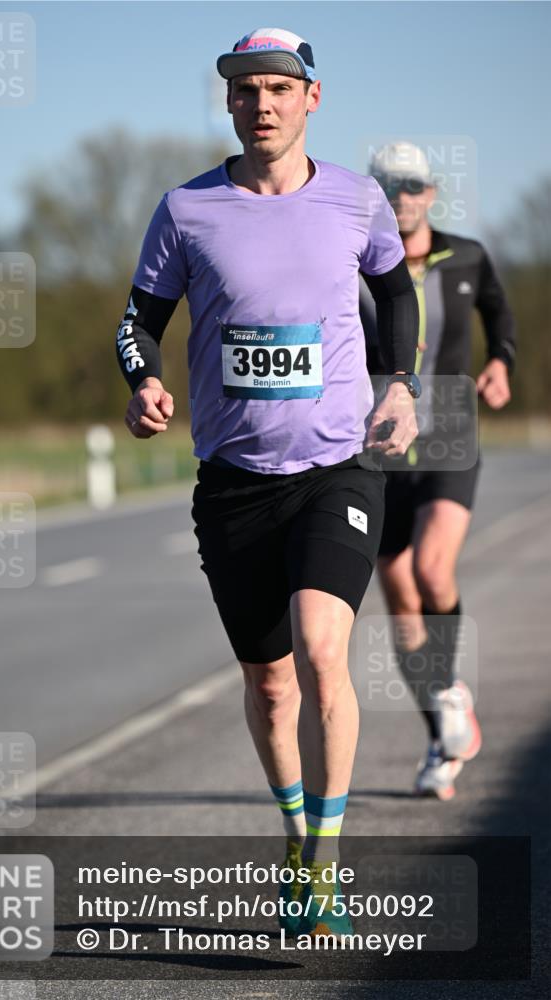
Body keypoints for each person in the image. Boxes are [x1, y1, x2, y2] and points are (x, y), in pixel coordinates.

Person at [116, 29, 420, 936]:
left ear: (310, 99)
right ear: (229, 103)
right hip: (235, 480)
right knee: (271, 680)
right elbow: (138, 321)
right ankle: (293, 831)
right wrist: (142, 380)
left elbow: (396, 294)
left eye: (278, 89)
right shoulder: (186, 209)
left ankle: (324, 858)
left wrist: (398, 383)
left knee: (324, 653)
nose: (261, 103)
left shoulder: (354, 201)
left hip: (337, 466)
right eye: (244, 89)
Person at [361, 141, 516, 800]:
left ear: (430, 192)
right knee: (399, 598)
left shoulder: (468, 256)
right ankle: (440, 736)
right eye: (388, 184)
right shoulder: (355, 261)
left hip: (450, 425)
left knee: (431, 570)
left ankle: (449, 692)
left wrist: (500, 360)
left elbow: (497, 313)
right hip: (377, 437)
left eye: (413, 184)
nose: (401, 195)